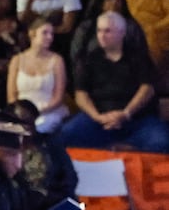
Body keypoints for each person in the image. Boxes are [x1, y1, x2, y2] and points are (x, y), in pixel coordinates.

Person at [60, 11, 169, 153]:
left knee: (161, 142)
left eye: (108, 31)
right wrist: (97, 117)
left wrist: (125, 114)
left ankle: (126, 148)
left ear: (122, 33)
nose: (102, 35)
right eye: (99, 31)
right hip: (99, 120)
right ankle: (117, 149)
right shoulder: (88, 60)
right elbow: (81, 95)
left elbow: (147, 89)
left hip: (137, 119)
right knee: (66, 135)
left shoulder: (138, 57)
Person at [7, 17, 69, 132]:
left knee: (37, 128)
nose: (49, 37)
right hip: (22, 111)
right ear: (32, 34)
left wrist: (39, 110)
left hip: (48, 110)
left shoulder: (57, 60)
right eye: (45, 33)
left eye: (51, 34)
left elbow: (58, 97)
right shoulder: (17, 60)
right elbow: (11, 96)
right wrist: (21, 112)